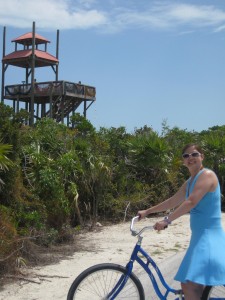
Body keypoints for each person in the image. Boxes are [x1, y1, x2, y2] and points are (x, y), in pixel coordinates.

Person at [138, 143, 225, 300]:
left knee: (189, 285)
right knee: (190, 285)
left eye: (194, 154)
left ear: (202, 157)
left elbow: (191, 202)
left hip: (209, 237)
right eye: (186, 156)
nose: (190, 158)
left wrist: (167, 220)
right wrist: (148, 211)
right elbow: (173, 201)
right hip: (199, 237)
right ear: (183, 161)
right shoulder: (191, 181)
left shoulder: (207, 175)